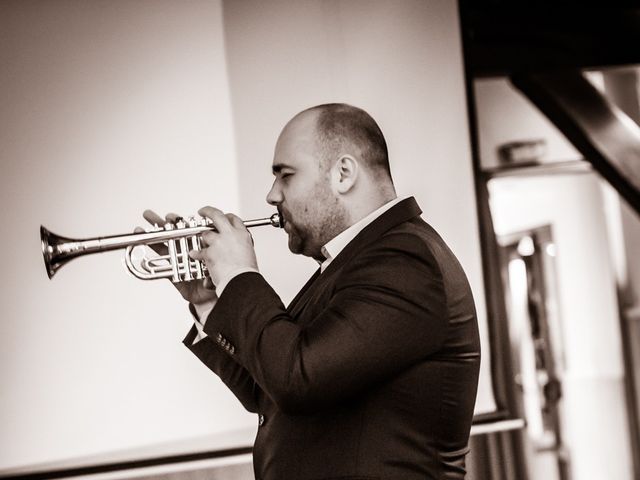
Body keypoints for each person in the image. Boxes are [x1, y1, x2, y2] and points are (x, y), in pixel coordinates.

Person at [144, 103, 480, 479]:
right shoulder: (355, 261)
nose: (272, 195)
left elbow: (295, 380)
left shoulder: (405, 260)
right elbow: (269, 391)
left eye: (285, 175)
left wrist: (239, 276)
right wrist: (210, 299)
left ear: (344, 173)